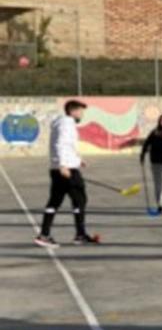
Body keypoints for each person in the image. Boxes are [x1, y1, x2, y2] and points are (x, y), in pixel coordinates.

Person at [35, 100, 98, 247]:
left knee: (56, 201)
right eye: (80, 111)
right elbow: (61, 144)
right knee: (80, 200)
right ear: (72, 110)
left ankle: (44, 234)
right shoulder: (66, 124)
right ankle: (79, 235)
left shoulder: (63, 123)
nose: (82, 114)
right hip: (66, 169)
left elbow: (67, 145)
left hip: (60, 168)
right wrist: (64, 165)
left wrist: (78, 160)